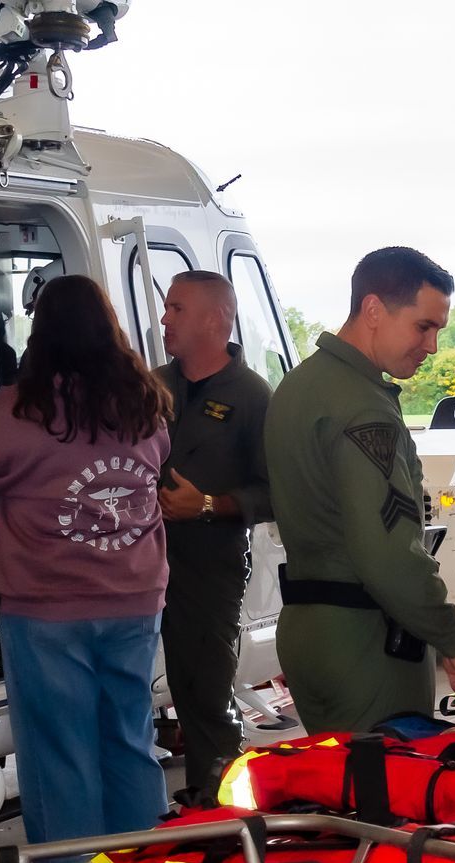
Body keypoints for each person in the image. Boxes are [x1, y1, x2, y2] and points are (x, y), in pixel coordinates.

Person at [0, 274, 172, 856]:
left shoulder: (15, 413)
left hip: (45, 609)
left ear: (41, 332)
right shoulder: (146, 406)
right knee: (130, 736)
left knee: (60, 748)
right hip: (133, 600)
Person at [266, 247, 455, 733]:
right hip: (364, 643)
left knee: (333, 794)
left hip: (310, 629)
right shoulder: (364, 408)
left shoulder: (300, 386)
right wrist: (454, 641)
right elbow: (388, 556)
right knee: (383, 797)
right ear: (373, 310)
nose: (431, 346)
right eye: (423, 327)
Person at [153, 271, 272, 804]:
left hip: (209, 563)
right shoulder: (151, 387)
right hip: (135, 564)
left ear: (213, 319)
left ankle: (220, 806)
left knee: (205, 692)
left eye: (176, 309)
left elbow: (277, 492)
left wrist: (205, 504)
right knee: (156, 689)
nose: (164, 319)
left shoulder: (252, 398)